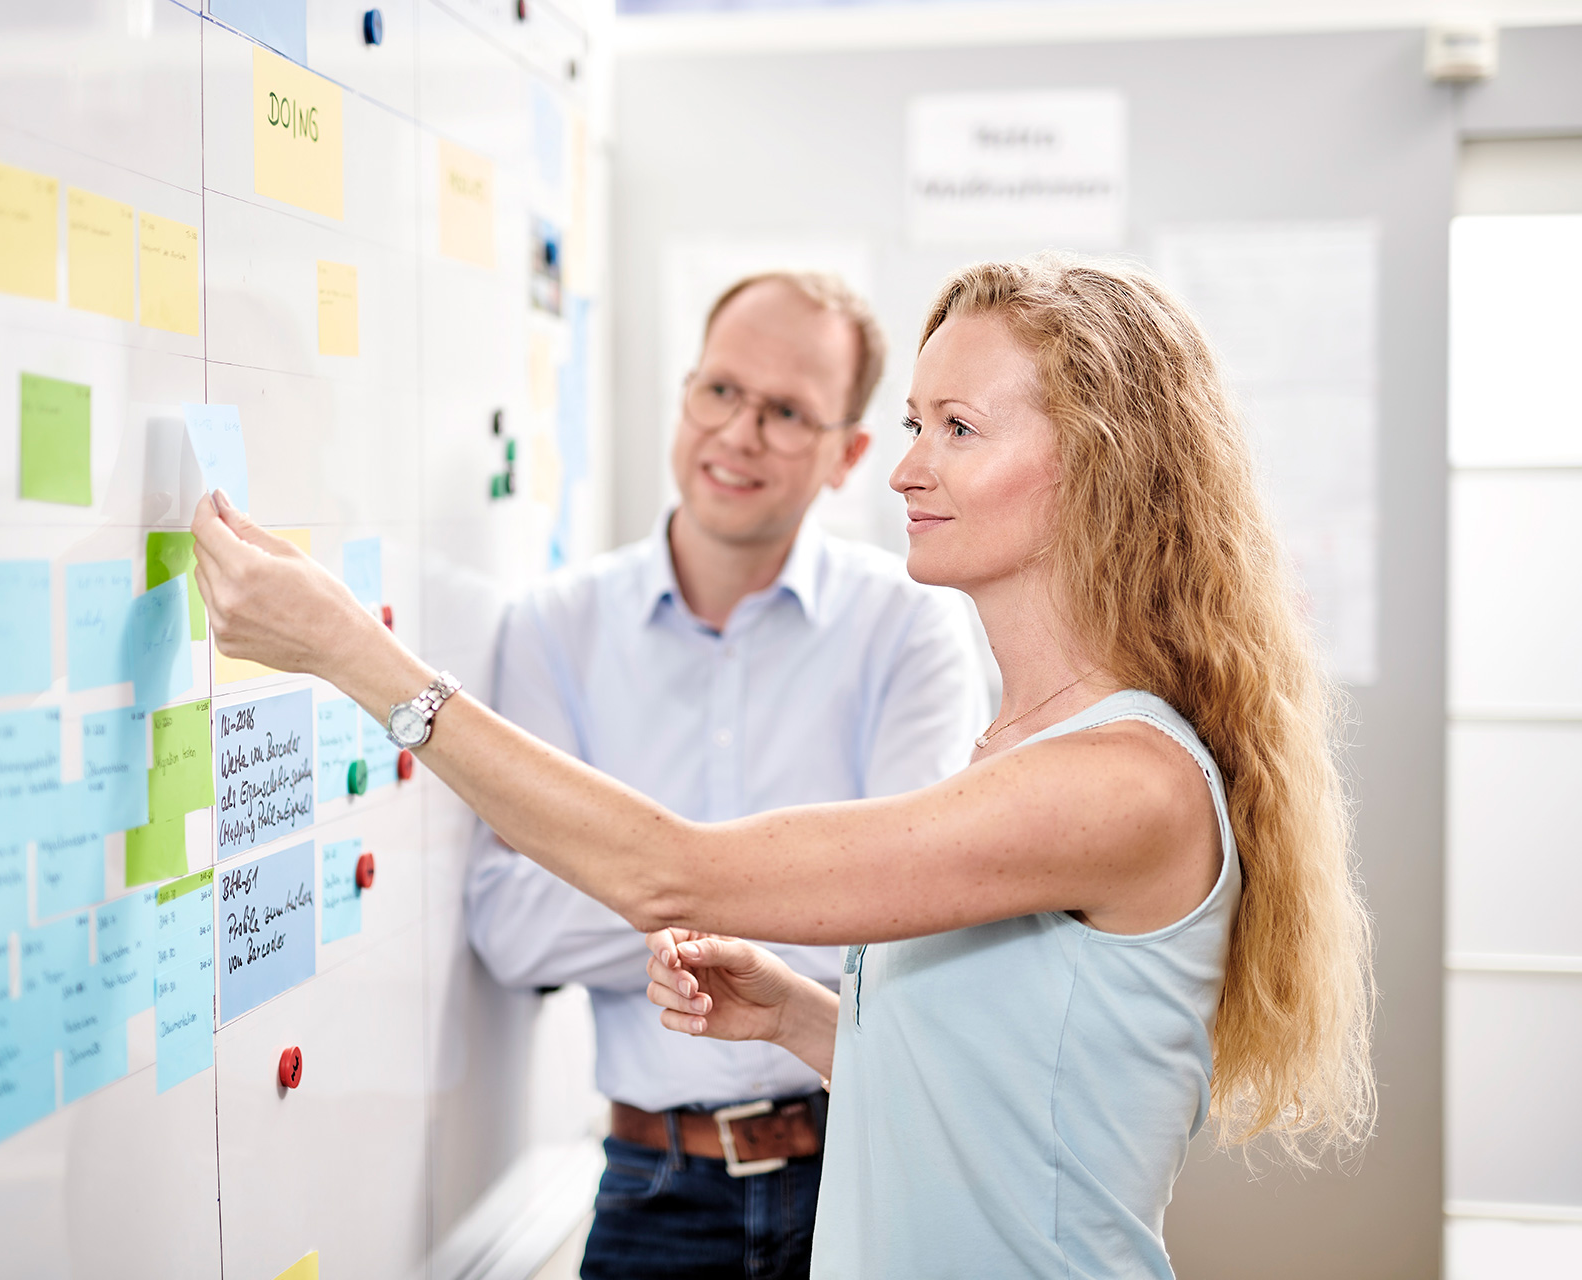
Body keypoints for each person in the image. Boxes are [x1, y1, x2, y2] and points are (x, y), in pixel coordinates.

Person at [188, 254, 1377, 1279]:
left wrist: (349, 650)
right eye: (916, 425)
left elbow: (670, 871)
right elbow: (1001, 1103)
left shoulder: (1117, 782)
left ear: (1106, 469)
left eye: (958, 429)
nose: (909, 471)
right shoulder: (1023, 747)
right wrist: (809, 1017)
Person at [464, 272, 986, 1279]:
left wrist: (640, 883)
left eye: (787, 411)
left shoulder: (911, 624)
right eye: (720, 391)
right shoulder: (553, 628)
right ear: (685, 393)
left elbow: (910, 921)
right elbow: (509, 924)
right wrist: (801, 902)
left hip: (869, 1170)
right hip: (653, 1190)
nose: (739, 433)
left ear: (847, 454)